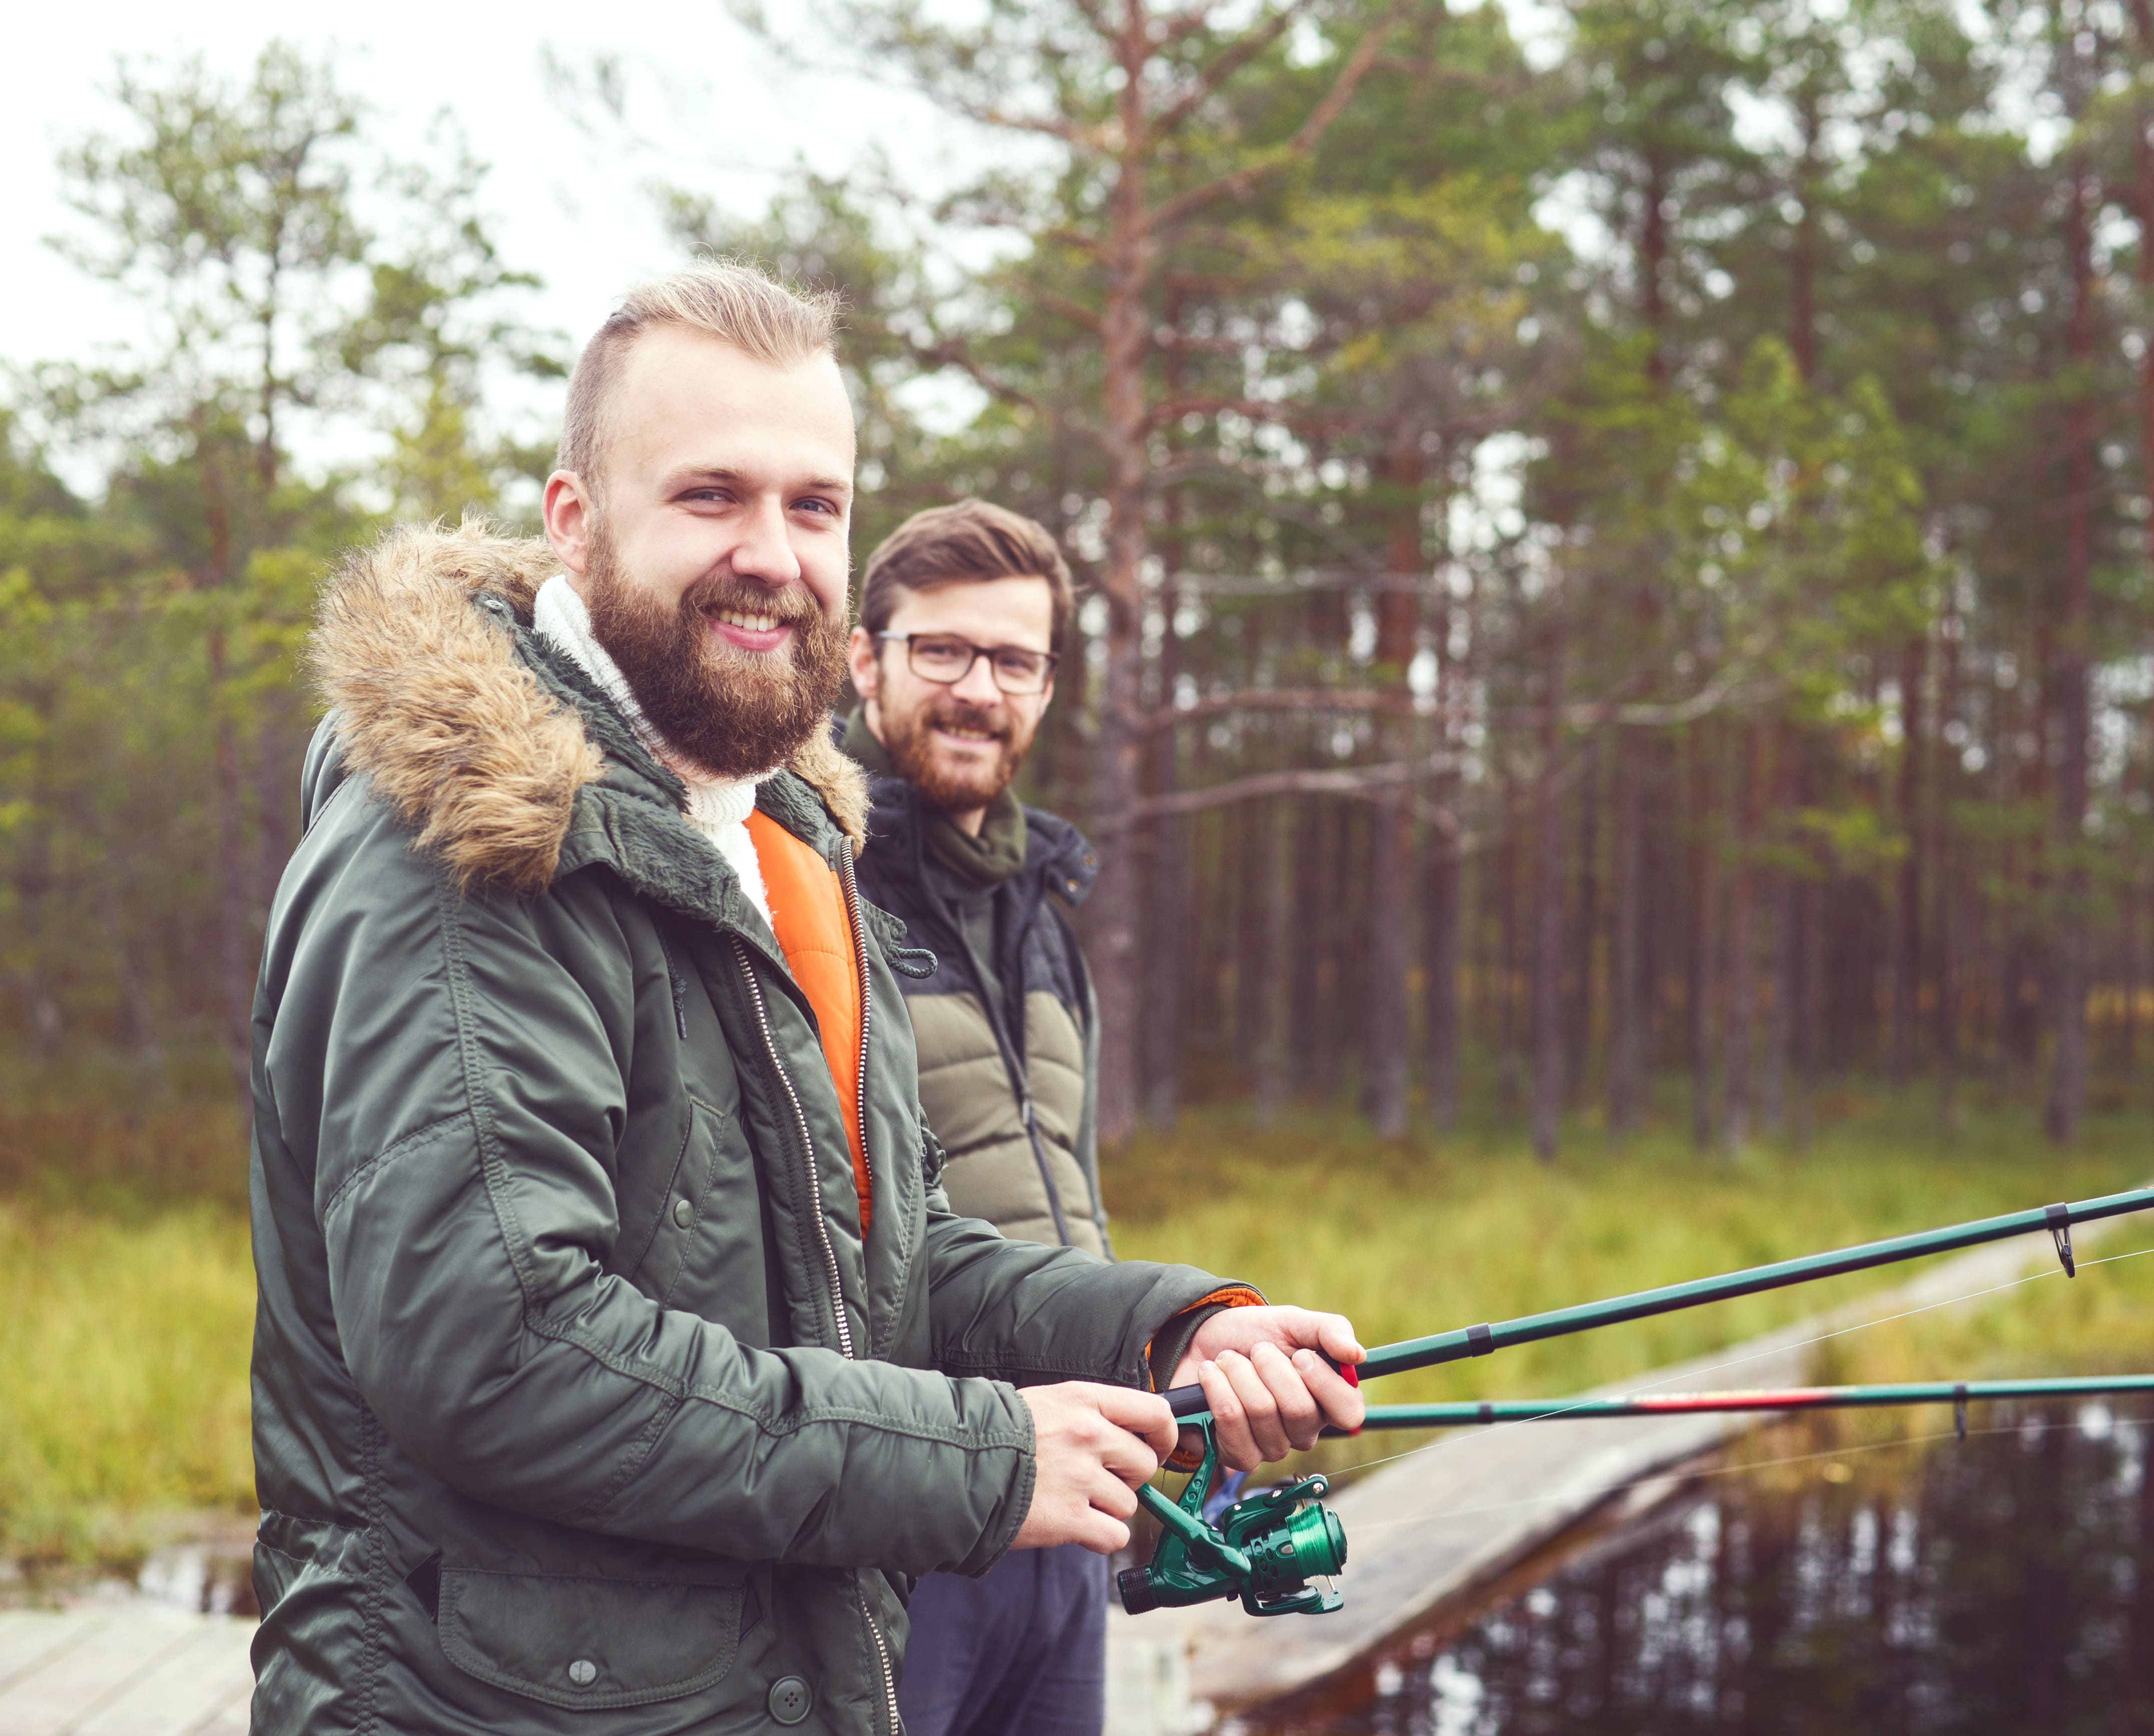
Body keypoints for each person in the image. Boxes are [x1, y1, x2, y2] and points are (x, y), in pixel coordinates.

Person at [245, 263, 1366, 1735]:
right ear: (574, 518)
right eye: (709, 495)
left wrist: (1163, 1331)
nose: (771, 554)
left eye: (814, 505)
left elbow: (891, 1262)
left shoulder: (780, 840)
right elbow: (500, 1351)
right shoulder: (465, 850)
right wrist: (983, 1458)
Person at [840, 501, 1118, 1734]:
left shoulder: (1044, 912)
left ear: (1045, 688)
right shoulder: (810, 882)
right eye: (942, 651)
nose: (977, 690)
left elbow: (1071, 1187)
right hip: (906, 1522)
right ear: (866, 660)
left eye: (1013, 660)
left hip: (1076, 1500)